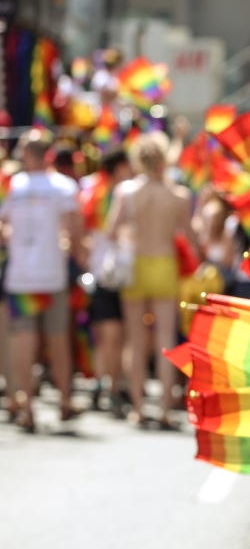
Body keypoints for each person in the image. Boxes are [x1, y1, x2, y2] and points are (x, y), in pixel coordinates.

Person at [107, 131, 198, 429]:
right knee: (165, 339)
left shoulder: (126, 192)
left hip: (136, 265)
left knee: (134, 339)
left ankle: (137, 406)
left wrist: (126, 237)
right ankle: (165, 409)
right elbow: (190, 235)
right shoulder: (178, 195)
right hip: (164, 265)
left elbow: (111, 231)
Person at [0, 129, 85, 431]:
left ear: (27, 155)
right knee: (58, 339)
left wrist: (17, 241)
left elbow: (3, 227)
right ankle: (64, 400)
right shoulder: (63, 187)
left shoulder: (15, 186)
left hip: (21, 276)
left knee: (24, 340)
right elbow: (75, 230)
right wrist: (78, 255)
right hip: (52, 275)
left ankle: (27, 407)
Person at [81, 145, 133, 418]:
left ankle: (107, 383)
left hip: (104, 270)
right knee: (113, 334)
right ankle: (111, 387)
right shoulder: (110, 193)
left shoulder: (94, 190)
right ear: (119, 167)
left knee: (108, 335)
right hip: (113, 272)